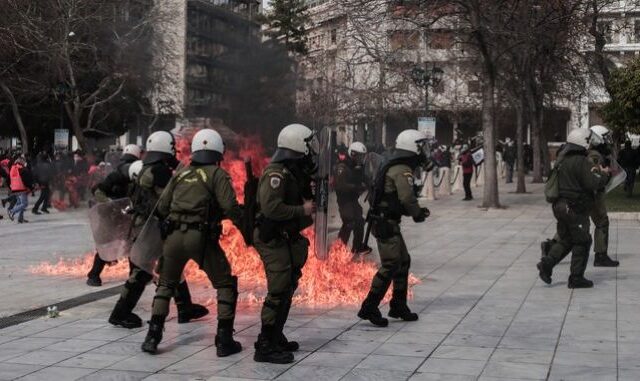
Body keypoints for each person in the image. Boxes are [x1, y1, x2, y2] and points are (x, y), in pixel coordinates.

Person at [141, 129, 244, 356]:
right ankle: (224, 340)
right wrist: (246, 226)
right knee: (225, 284)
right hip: (201, 238)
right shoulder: (217, 175)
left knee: (166, 285)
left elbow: (162, 207)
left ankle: (153, 336)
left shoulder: (181, 174)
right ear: (218, 151)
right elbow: (230, 208)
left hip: (174, 238)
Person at [108, 132, 208, 329]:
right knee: (142, 271)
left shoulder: (147, 167)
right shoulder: (160, 171)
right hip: (152, 226)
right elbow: (168, 199)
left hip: (146, 224)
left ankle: (185, 307)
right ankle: (120, 313)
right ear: (166, 148)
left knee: (171, 264)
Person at [253, 123, 317, 364]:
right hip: (272, 238)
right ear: (297, 145)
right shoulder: (276, 173)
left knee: (288, 287)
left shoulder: (292, 171)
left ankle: (276, 335)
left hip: (285, 236)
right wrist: (302, 208)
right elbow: (271, 208)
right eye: (308, 145)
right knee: (278, 290)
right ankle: (265, 344)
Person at [358, 129, 430, 328]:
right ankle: (369, 306)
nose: (423, 151)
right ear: (411, 147)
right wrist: (417, 213)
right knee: (391, 264)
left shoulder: (396, 164)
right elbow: (407, 198)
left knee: (403, 261)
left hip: (387, 221)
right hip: (385, 223)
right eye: (420, 146)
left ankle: (398, 305)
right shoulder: (402, 169)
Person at [537, 128, 611, 289]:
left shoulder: (562, 157)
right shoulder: (581, 161)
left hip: (559, 207)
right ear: (582, 141)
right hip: (574, 208)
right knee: (583, 241)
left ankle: (547, 264)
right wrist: (605, 174)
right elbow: (592, 183)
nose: (590, 143)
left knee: (567, 239)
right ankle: (576, 278)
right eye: (588, 140)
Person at [86, 144, 142, 287]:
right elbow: (98, 191)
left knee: (131, 246)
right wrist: (110, 203)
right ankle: (93, 275)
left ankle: (133, 277)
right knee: (106, 246)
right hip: (111, 215)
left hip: (127, 215)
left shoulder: (136, 176)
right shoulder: (115, 175)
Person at [586, 125, 619, 267]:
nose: (607, 140)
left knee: (571, 225)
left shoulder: (595, 153)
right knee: (602, 222)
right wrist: (606, 173)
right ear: (598, 138)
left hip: (590, 194)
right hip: (594, 195)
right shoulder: (595, 155)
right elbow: (595, 176)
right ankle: (600, 256)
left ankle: (550, 247)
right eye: (605, 137)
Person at [335, 141, 371, 258]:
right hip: (344, 200)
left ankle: (357, 247)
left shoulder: (357, 167)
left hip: (353, 199)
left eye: (362, 156)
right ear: (353, 154)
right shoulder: (342, 167)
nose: (361, 159)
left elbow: (364, 177)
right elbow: (340, 185)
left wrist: (372, 183)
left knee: (360, 222)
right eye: (359, 156)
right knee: (349, 222)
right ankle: (338, 249)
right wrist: (357, 187)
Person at [8, 156, 34, 223]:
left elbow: (9, 178)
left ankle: (20, 218)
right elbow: (26, 179)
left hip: (14, 188)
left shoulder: (13, 167)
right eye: (24, 161)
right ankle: (11, 211)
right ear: (21, 161)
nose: (25, 162)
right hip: (21, 188)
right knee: (24, 204)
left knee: (20, 203)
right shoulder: (21, 169)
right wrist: (31, 187)